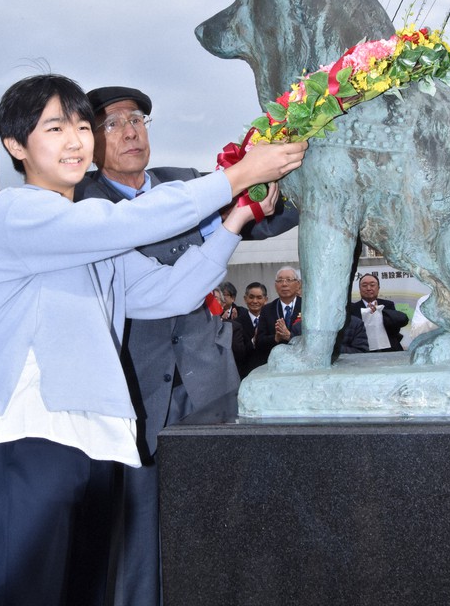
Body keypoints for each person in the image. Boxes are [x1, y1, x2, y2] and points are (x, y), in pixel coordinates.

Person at [0, 73, 306, 606]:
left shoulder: (92, 241)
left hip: (96, 450)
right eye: (55, 127)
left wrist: (236, 218)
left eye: (80, 126)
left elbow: (170, 292)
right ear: (15, 145)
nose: (76, 139)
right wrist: (236, 176)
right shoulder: (15, 212)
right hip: (25, 443)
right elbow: (126, 223)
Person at [75, 86, 304, 606]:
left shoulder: (188, 183)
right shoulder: (84, 204)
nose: (131, 131)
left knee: (223, 523)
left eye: (138, 119)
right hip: (135, 397)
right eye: (113, 124)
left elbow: (272, 216)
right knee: (138, 540)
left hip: (210, 387)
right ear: (89, 141)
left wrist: (281, 176)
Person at [254, 267, 302, 367]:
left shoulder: (307, 307)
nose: (284, 284)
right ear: (276, 286)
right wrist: (276, 338)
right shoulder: (267, 310)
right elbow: (259, 342)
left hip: (301, 362)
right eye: (280, 280)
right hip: (275, 364)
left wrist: (290, 336)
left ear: (298, 285)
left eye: (289, 280)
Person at [350, 273, 408, 352]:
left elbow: (396, 328)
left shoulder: (387, 305)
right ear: (359, 289)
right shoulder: (352, 308)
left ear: (378, 288)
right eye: (364, 285)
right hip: (363, 352)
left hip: (389, 351)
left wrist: (380, 312)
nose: (368, 288)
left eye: (372, 285)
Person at [232, 282, 268, 376]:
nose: (255, 301)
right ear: (245, 299)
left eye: (259, 297)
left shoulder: (272, 320)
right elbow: (238, 354)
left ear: (265, 300)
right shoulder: (236, 324)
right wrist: (253, 341)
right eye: (251, 297)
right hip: (246, 373)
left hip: (268, 373)